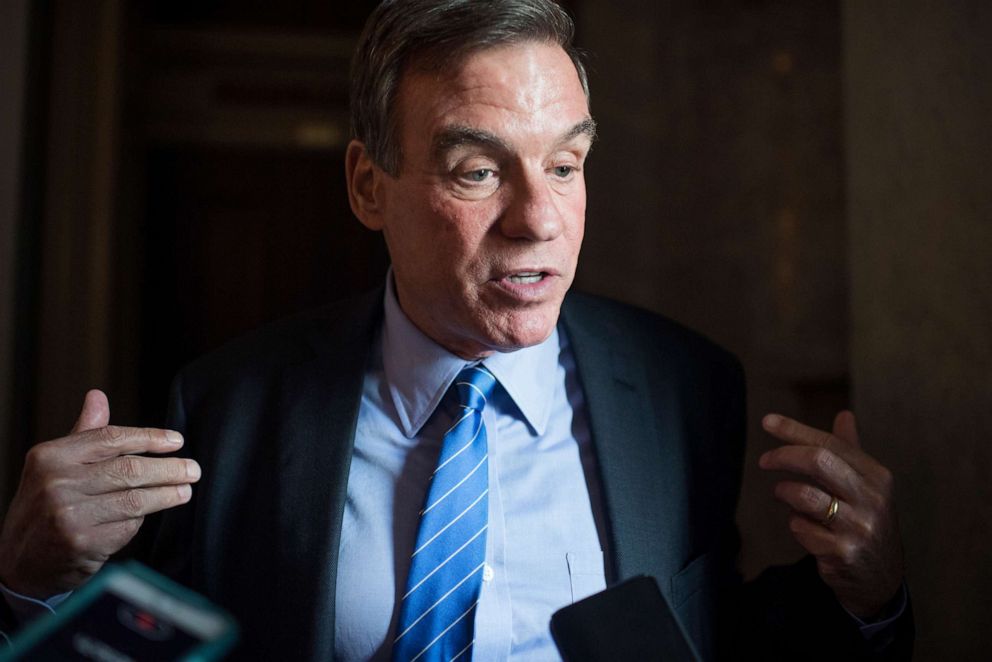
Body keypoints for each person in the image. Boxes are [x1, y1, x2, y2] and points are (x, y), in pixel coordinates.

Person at [0, 1, 910, 659]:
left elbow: (726, 637)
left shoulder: (684, 385)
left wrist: (869, 600)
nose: (539, 219)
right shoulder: (230, 404)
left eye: (564, 164)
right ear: (368, 186)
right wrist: (30, 586)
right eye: (478, 171)